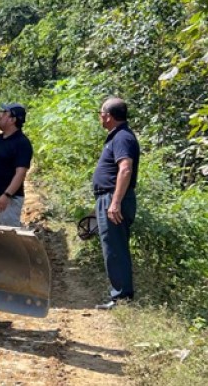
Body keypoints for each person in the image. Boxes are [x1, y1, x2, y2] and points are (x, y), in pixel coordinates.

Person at [92, 97, 140, 310]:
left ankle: (121, 298)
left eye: (101, 113)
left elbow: (125, 169)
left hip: (113, 198)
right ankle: (120, 295)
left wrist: (115, 202)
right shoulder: (118, 136)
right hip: (109, 197)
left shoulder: (122, 138)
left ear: (108, 116)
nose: (100, 117)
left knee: (115, 248)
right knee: (113, 246)